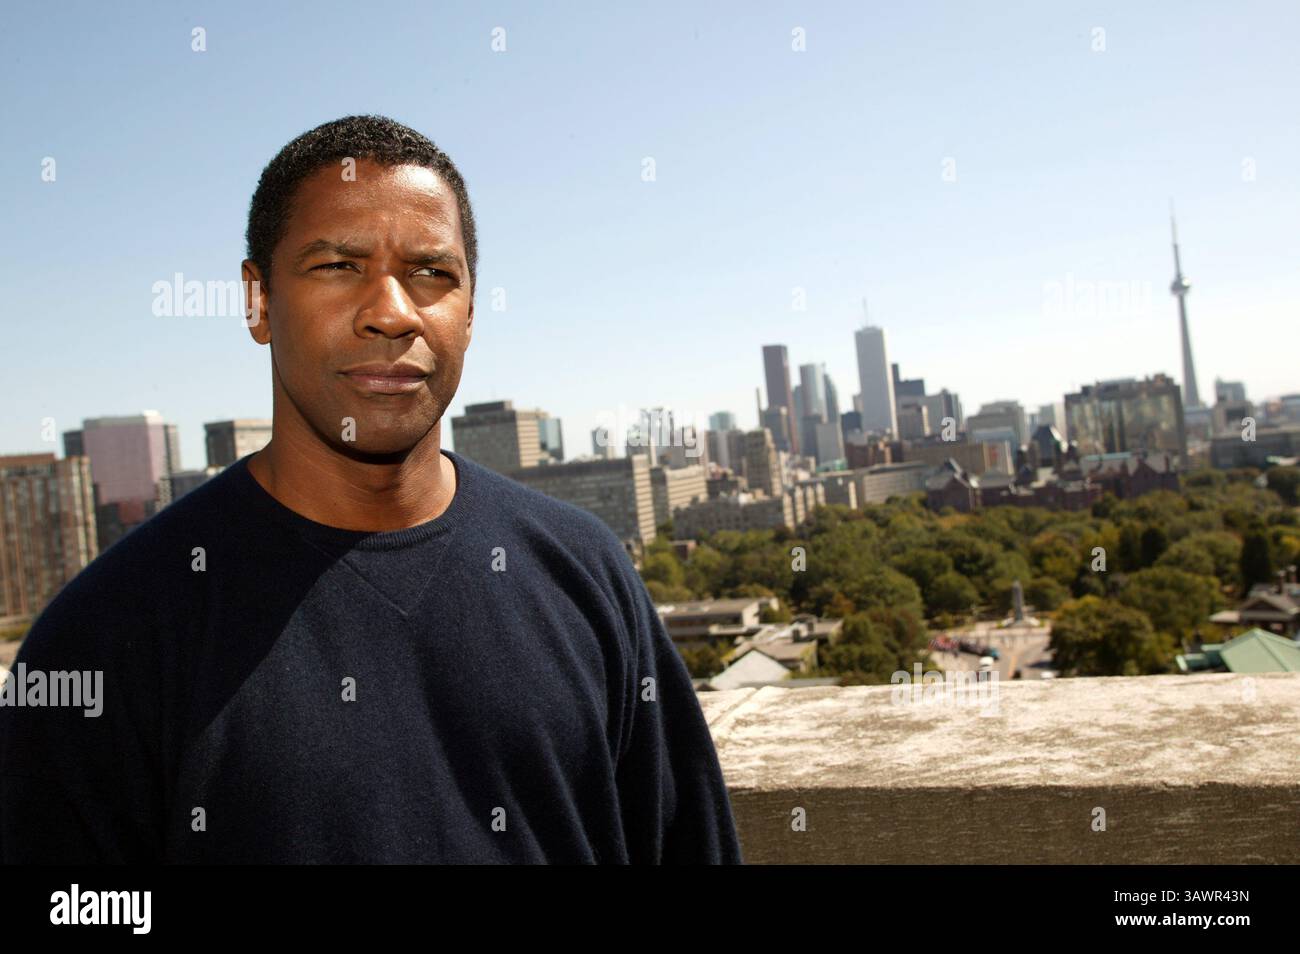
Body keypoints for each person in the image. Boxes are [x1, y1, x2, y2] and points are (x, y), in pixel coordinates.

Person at [0, 115, 743, 864]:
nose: (392, 312)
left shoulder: (586, 572)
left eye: (432, 274)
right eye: (337, 266)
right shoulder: (104, 636)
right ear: (258, 302)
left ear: (472, 309)